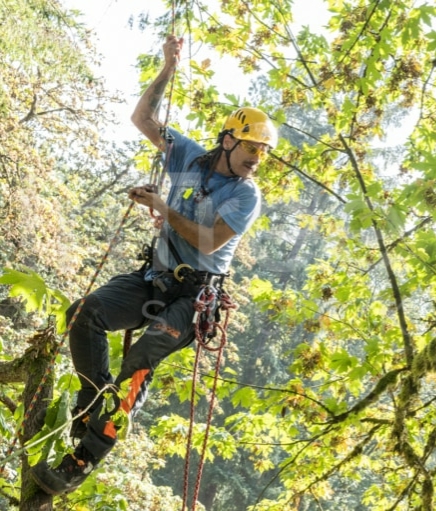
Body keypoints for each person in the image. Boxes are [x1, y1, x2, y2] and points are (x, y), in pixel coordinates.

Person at [30, 34, 278, 495]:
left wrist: (162, 207)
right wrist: (168, 67)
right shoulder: (186, 155)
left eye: (262, 152)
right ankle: (93, 398)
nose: (256, 158)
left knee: (142, 360)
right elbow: (143, 119)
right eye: (250, 147)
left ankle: (82, 459)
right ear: (228, 139)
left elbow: (209, 242)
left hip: (195, 295)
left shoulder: (246, 194)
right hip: (155, 277)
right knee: (84, 314)